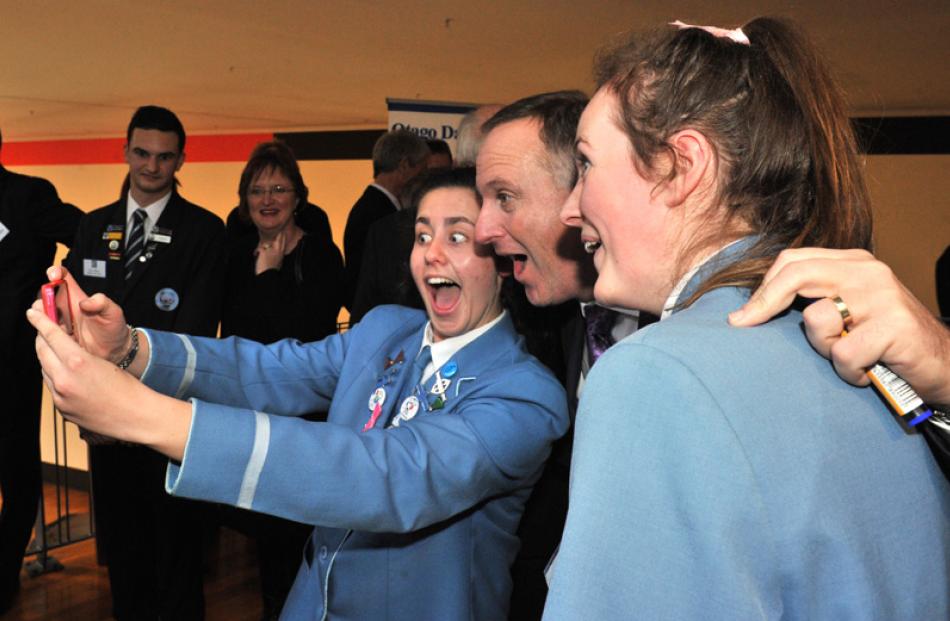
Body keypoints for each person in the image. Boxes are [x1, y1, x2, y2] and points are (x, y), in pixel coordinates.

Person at [31, 167, 569, 620]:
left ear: (501, 264)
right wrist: (132, 349)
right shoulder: (384, 330)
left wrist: (138, 415)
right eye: (423, 235)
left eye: (457, 237)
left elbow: (381, 475)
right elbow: (265, 371)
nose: (431, 255)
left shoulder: (525, 397)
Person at [546, 18, 950, 619]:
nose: (568, 207)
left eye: (586, 164)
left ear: (682, 167)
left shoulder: (656, 374)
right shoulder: (871, 355)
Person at [476, 91, 653, 620]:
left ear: (581, 192)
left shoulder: (697, 330)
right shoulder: (556, 321)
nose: (485, 230)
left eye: (505, 197)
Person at [63, 105, 226, 620]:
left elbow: (198, 328)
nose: (151, 166)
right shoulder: (92, 229)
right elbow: (73, 320)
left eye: (164, 157)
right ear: (125, 150)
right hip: (106, 420)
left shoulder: (204, 231)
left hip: (167, 414)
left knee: (176, 555)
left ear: (181, 160)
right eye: (141, 153)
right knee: (124, 557)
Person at [220, 141, 344, 618]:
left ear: (299, 196)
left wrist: (268, 276)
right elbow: (236, 335)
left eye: (278, 188)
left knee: (297, 536)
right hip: (251, 412)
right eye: (256, 190)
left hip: (303, 415)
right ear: (244, 199)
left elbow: (300, 334)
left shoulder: (320, 256)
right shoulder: (235, 255)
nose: (267, 199)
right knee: (265, 536)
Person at [0, 130, 82, 613]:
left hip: (11, 366)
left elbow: (88, 232)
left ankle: (5, 570)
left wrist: (54, 290)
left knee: (18, 473)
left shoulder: (28, 196)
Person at [342, 129, 429, 308]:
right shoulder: (378, 214)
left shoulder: (371, 207)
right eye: (423, 169)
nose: (425, 179)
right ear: (405, 165)